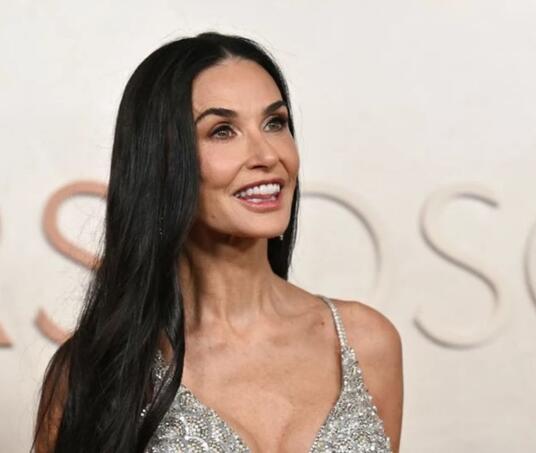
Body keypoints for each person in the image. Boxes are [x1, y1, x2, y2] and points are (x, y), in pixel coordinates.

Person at [32, 31, 404, 453]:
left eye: (275, 123)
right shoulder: (97, 373)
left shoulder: (365, 341)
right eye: (223, 131)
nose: (268, 155)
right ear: (162, 163)